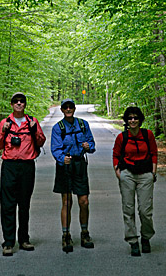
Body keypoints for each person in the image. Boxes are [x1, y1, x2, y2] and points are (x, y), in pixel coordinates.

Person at [0, 92, 46, 256]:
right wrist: (3, 131)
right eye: (16, 101)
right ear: (11, 104)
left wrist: (34, 130)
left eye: (22, 101)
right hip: (9, 166)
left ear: (25, 104)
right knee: (8, 205)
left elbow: (41, 141)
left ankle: (24, 239)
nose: (19, 103)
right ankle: (8, 242)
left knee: (24, 204)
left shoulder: (32, 122)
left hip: (27, 166)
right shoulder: (5, 122)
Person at [51, 98, 96, 253]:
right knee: (67, 201)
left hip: (79, 164)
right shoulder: (58, 128)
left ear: (74, 109)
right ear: (62, 110)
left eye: (71, 107)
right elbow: (55, 148)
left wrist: (88, 146)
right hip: (65, 166)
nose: (68, 109)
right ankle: (66, 235)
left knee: (84, 201)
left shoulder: (83, 125)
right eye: (65, 107)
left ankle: (84, 233)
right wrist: (62, 158)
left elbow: (92, 144)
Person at [113, 106, 158, 257]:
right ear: (126, 120)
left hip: (145, 174)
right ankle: (133, 241)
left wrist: (153, 173)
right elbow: (116, 155)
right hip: (128, 174)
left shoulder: (148, 135)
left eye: (135, 118)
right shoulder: (122, 137)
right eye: (130, 118)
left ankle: (146, 237)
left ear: (140, 120)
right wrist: (118, 172)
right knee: (128, 209)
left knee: (145, 210)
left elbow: (154, 154)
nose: (133, 120)